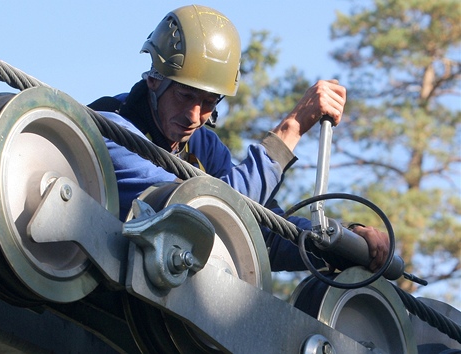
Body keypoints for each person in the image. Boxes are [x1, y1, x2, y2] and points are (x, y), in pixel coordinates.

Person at [89, 4, 389, 272]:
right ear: (154, 80)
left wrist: (342, 242)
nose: (195, 116)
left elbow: (261, 230)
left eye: (209, 102)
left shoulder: (203, 147)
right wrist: (291, 129)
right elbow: (204, 212)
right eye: (185, 95)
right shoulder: (111, 133)